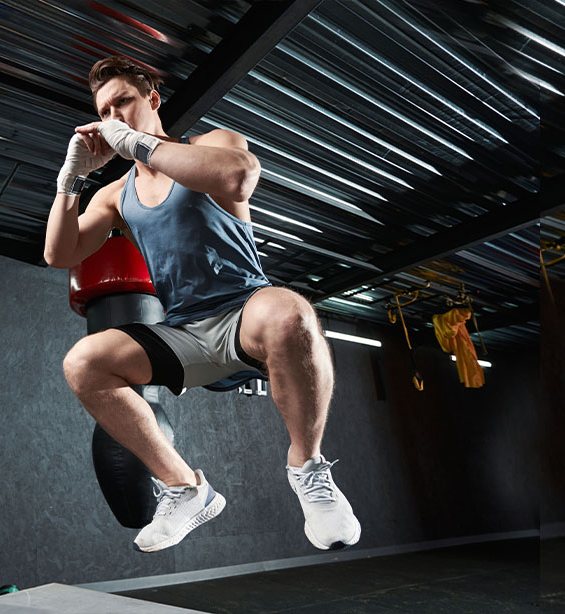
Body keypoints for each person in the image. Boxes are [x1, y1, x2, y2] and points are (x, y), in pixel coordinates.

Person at [44, 55, 360, 553]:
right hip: (187, 333)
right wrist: (70, 181)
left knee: (291, 311)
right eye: (105, 110)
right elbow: (58, 253)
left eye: (123, 101)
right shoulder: (115, 195)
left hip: (247, 311)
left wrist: (141, 145)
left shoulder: (212, 144)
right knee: (84, 363)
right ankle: (186, 489)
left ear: (152, 99)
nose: (114, 117)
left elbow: (238, 178)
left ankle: (308, 470)